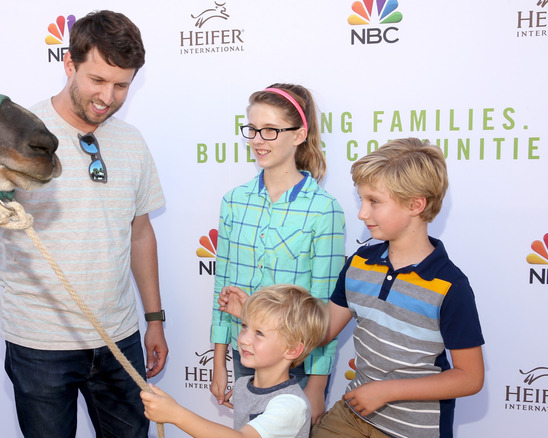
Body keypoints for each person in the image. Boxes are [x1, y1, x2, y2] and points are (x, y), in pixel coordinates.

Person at [0, 10, 167, 438]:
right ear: (69, 64)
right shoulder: (14, 137)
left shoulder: (132, 142)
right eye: (97, 80)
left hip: (119, 340)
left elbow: (140, 234)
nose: (108, 96)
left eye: (121, 85)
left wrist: (155, 319)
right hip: (39, 348)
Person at [311, 138, 485, 438]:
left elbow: (470, 378)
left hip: (414, 430)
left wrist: (386, 391)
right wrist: (254, 312)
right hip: (352, 414)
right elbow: (323, 330)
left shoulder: (451, 286)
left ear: (416, 204)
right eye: (361, 200)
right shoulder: (359, 263)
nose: (362, 214)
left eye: (374, 201)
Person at [209, 84, 346, 423]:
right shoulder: (233, 201)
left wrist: (316, 386)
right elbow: (222, 290)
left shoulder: (323, 210)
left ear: (299, 134)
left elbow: (323, 308)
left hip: (295, 363)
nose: (258, 140)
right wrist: (219, 362)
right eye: (253, 129)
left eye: (270, 130)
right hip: (245, 357)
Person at [142, 285, 329, 438]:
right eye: (245, 326)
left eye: (259, 333)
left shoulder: (291, 405)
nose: (244, 339)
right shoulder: (242, 385)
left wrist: (175, 414)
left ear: (292, 350)